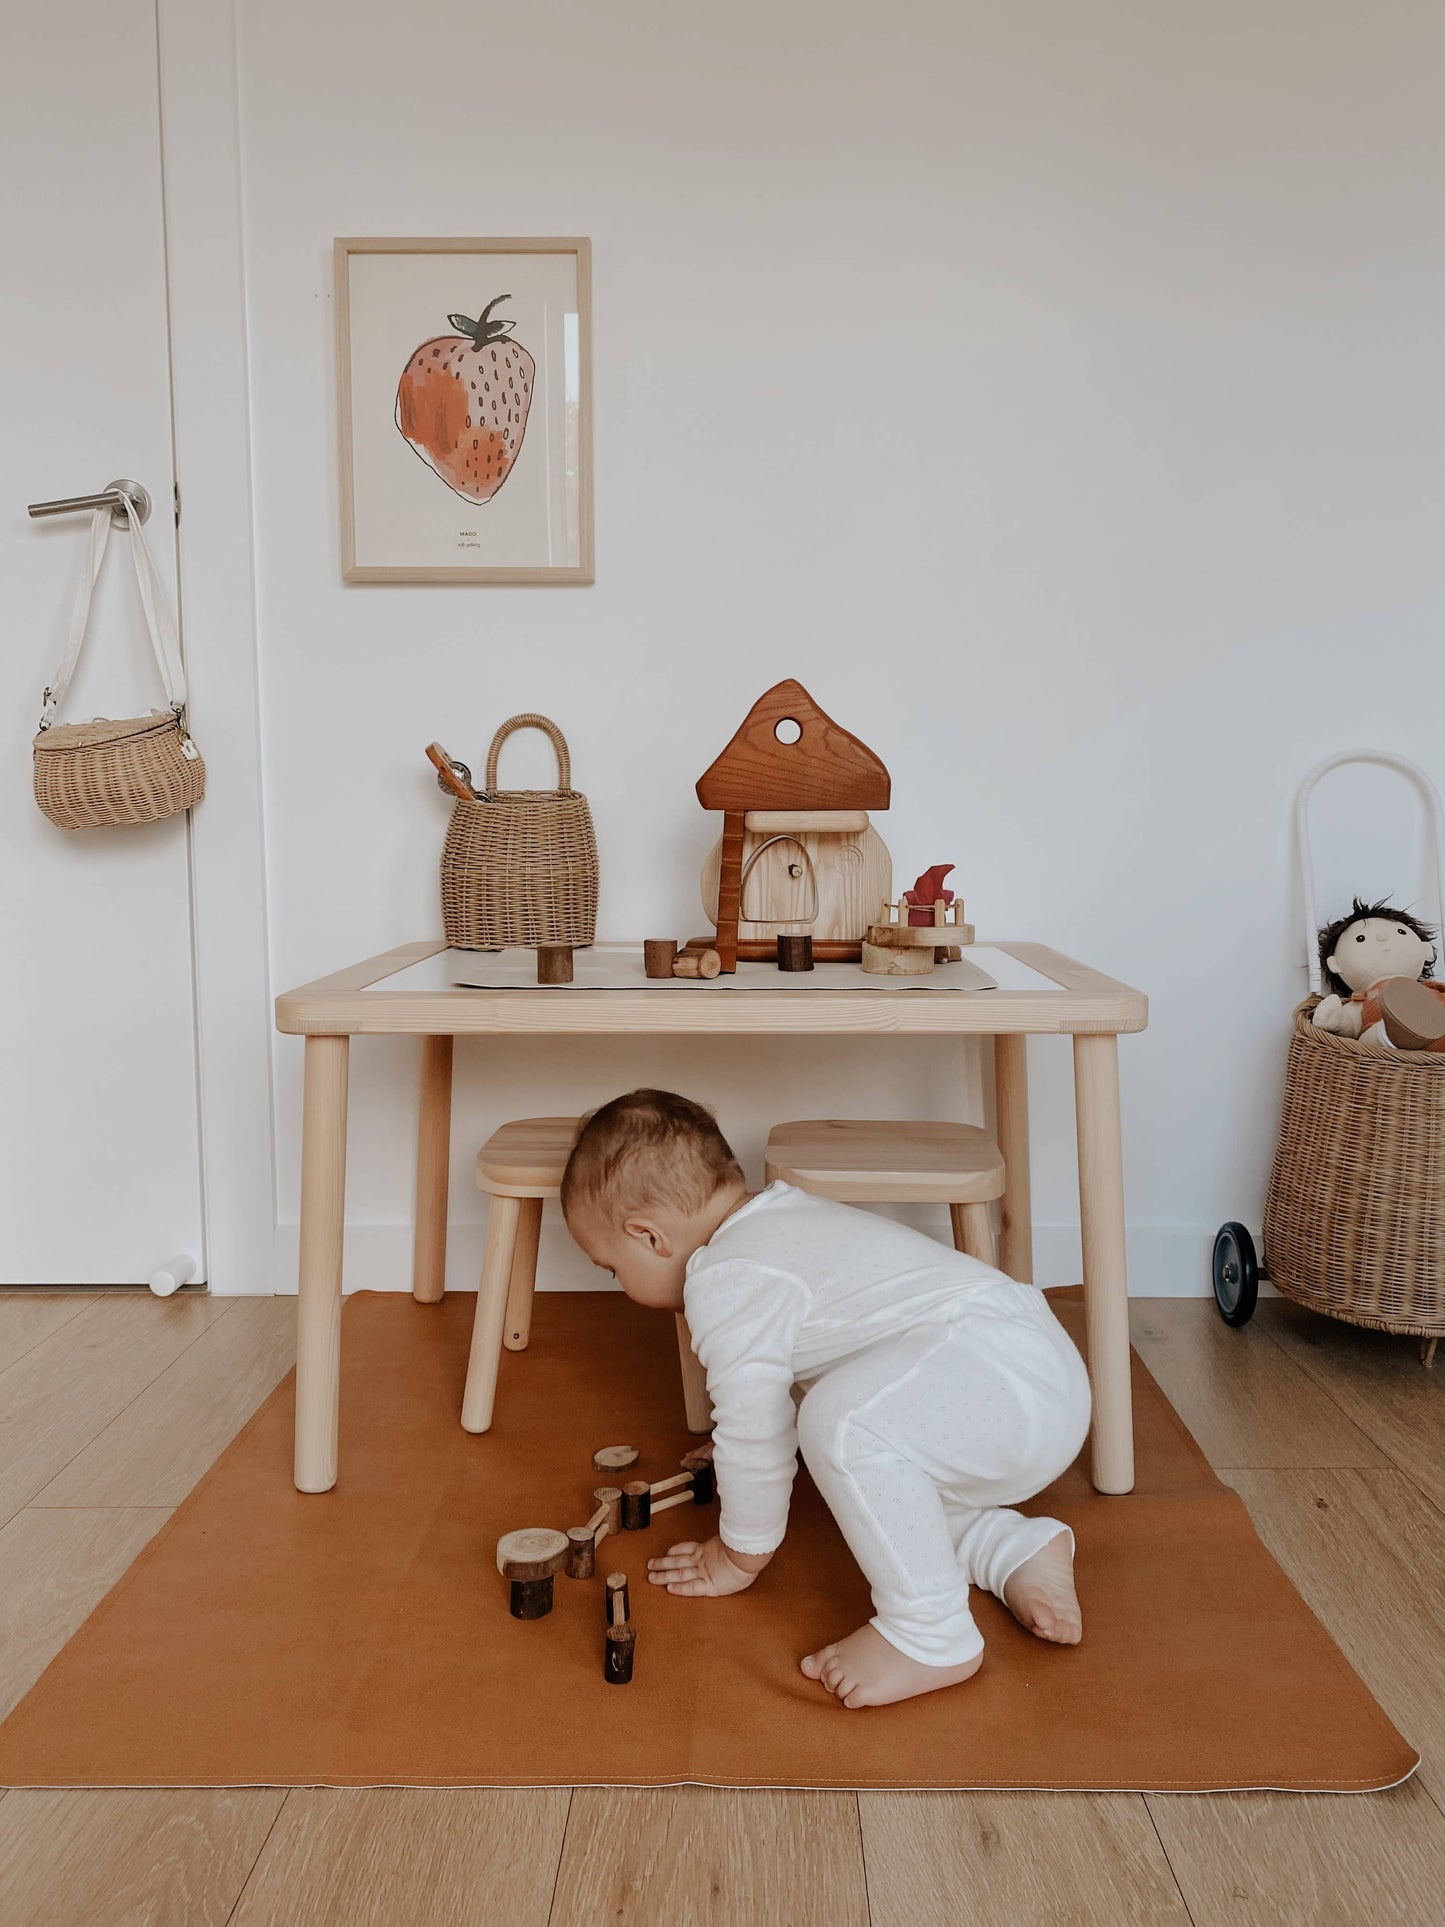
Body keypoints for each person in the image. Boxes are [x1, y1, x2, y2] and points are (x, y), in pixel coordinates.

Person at [560, 1088, 1092, 1710]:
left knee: (841, 1427)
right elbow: (767, 1399)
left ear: (648, 1237)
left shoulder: (727, 1280)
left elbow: (756, 1432)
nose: (620, 1286)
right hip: (1025, 1374)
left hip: (1001, 1383)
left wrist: (736, 1557)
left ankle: (931, 1632)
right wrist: (737, 1435)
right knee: (880, 1472)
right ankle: (1006, 1547)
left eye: (611, 1269)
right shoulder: (779, 1221)